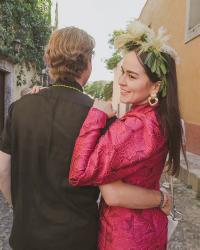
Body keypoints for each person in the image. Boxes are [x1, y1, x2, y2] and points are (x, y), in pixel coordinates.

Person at [0, 26, 170, 250]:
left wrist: (19, 208)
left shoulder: (19, 108)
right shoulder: (101, 117)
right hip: (77, 239)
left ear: (49, 61)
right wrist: (162, 198)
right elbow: (111, 191)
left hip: (26, 237)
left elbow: (3, 169)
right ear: (88, 64)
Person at [69, 20, 186, 250]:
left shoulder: (135, 126)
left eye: (132, 76)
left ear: (155, 87)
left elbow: (80, 172)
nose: (121, 81)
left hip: (125, 236)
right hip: (149, 228)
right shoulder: (159, 117)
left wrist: (96, 115)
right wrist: (160, 197)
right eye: (123, 72)